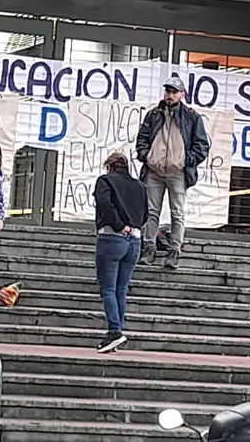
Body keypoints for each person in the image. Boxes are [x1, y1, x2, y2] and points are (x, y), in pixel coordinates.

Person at [135, 75, 209, 270]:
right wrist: (146, 156)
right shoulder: (153, 114)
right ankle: (148, 248)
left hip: (178, 172)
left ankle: (174, 251)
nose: (170, 95)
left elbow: (202, 145)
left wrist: (185, 161)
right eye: (168, 91)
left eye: (174, 92)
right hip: (154, 170)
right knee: (151, 212)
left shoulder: (192, 117)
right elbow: (142, 138)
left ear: (182, 94)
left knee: (177, 213)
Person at [93, 152, 148, 354]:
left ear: (109, 166)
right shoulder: (139, 186)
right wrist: (131, 226)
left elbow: (104, 204)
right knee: (121, 290)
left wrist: (118, 225)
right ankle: (117, 330)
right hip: (135, 240)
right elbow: (147, 213)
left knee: (107, 288)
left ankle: (114, 332)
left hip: (111, 237)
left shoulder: (105, 181)